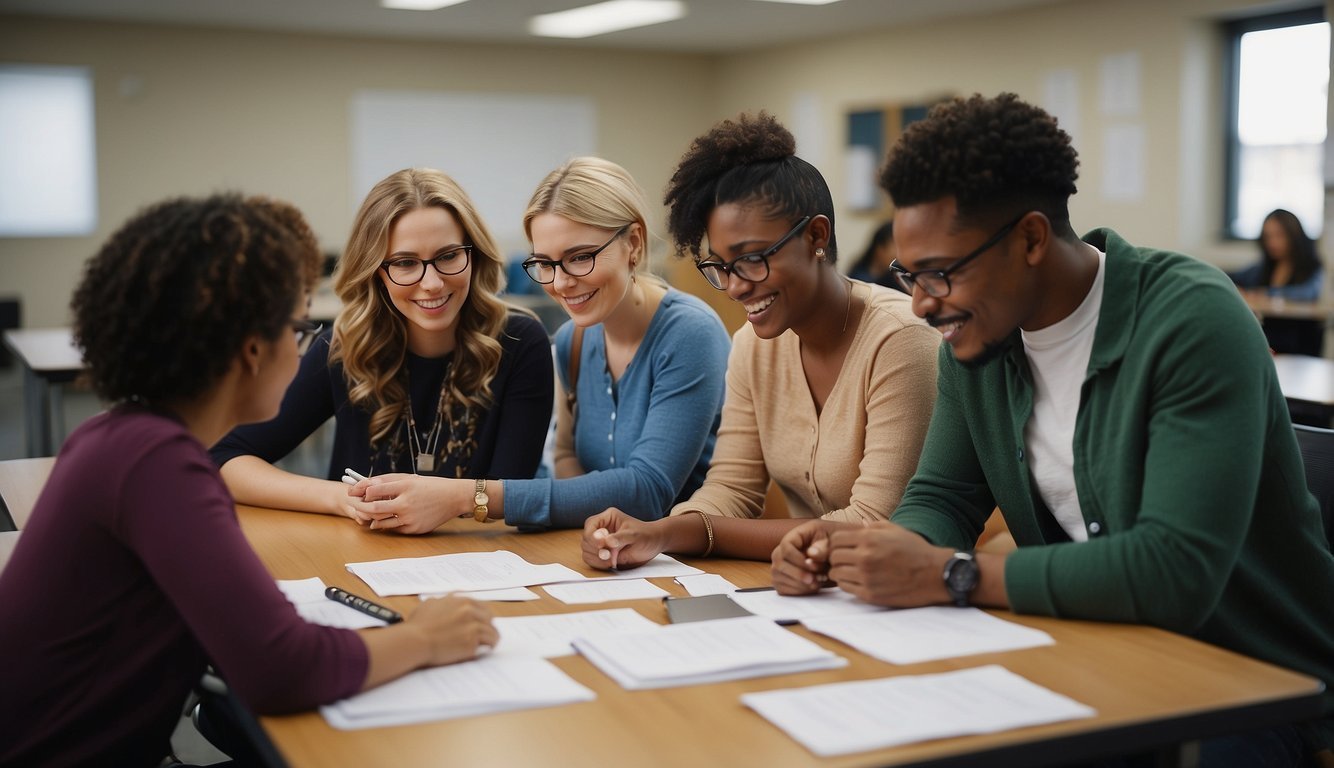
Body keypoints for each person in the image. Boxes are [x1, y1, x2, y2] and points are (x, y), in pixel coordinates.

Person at [771, 93, 1334, 765]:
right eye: (908, 274)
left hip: (1254, 683)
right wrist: (866, 549)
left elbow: (1173, 572)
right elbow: (944, 498)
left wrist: (950, 575)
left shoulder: (1191, 319)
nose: (921, 303)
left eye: (941, 274)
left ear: (1032, 239)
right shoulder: (976, 341)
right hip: (1097, 651)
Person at [0, 195, 498, 767]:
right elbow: (282, 670)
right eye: (298, 325)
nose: (304, 343)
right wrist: (426, 638)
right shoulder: (158, 465)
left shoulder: (121, 437)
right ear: (251, 348)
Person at [580, 112, 939, 570]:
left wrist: (672, 532)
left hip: (898, 592)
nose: (734, 286)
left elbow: (870, 524)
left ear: (816, 236)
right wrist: (648, 534)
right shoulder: (754, 344)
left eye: (751, 260)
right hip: (808, 584)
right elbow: (732, 487)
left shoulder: (900, 341)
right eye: (721, 266)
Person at [211, 169, 554, 533]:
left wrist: (452, 499)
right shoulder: (344, 347)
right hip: (359, 563)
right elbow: (225, 458)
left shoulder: (520, 342)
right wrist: (338, 499)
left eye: (449, 255)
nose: (432, 283)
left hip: (480, 570)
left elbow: (513, 497)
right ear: (376, 270)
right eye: (405, 263)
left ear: (474, 254)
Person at [1228, 208, 1326, 355]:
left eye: (1279, 235)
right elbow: (1233, 277)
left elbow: (1307, 293)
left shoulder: (1311, 266)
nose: (1272, 243)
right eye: (1268, 237)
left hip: (1299, 341)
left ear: (1294, 235)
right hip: (1269, 341)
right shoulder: (1264, 267)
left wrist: (1264, 293)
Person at [847, 219, 907, 292]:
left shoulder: (895, 278)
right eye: (898, 247)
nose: (902, 255)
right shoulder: (858, 281)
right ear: (880, 249)